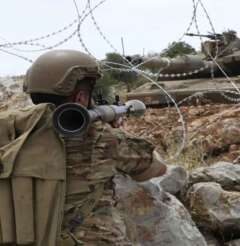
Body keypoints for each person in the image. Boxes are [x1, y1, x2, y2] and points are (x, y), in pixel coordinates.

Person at [0, 49, 167, 245]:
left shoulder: (10, 132)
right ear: (80, 98)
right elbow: (155, 168)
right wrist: (118, 132)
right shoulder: (102, 138)